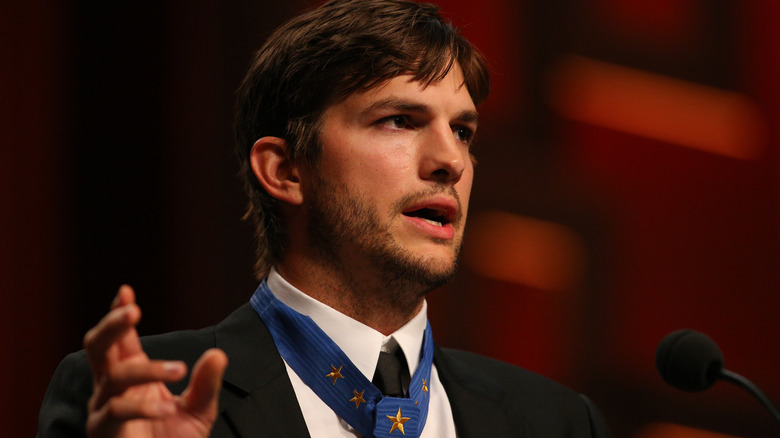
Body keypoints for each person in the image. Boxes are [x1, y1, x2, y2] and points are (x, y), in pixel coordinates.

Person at [38, 0, 610, 437]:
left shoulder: (555, 422)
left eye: (463, 130)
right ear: (285, 170)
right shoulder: (139, 397)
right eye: (399, 120)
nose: (450, 161)